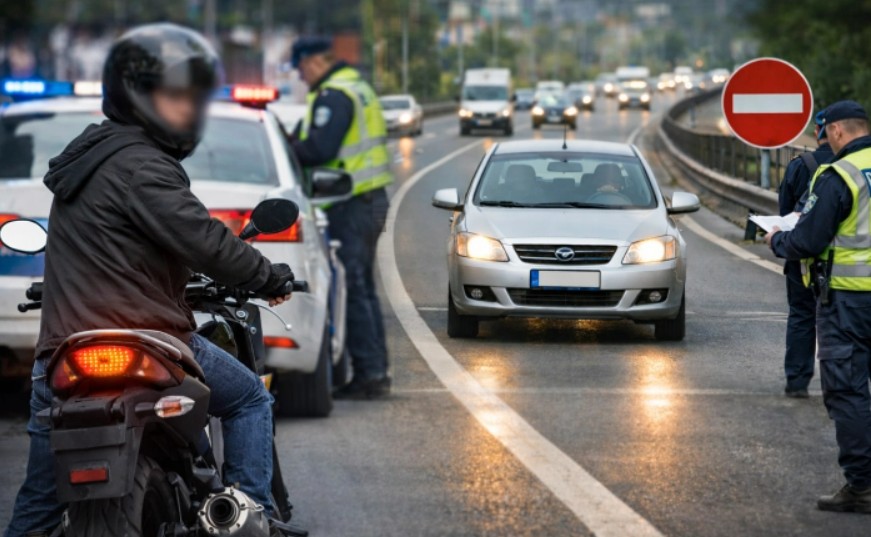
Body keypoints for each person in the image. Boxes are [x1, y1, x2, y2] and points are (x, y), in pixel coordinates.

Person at [3, 24, 295, 536]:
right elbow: (205, 240)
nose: (186, 110)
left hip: (63, 348)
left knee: (38, 504)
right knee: (250, 398)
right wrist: (267, 275)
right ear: (137, 99)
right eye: (173, 97)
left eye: (189, 99)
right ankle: (250, 518)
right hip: (148, 337)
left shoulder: (88, 160)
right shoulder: (141, 165)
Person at [766, 100, 871, 513]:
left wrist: (776, 240)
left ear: (837, 131)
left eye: (827, 132)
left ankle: (862, 486)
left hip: (848, 301)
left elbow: (807, 240)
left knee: (847, 390)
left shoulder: (839, 176)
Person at [288, 36, 393, 399]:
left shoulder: (334, 95)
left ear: (313, 61)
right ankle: (374, 370)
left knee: (354, 287)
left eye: (300, 69)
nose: (301, 77)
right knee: (362, 288)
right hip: (368, 199)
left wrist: (288, 149)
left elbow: (320, 148)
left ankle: (369, 374)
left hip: (351, 203)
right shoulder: (356, 86)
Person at [777, 109, 834, 398]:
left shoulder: (801, 165)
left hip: (802, 259)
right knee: (841, 322)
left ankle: (797, 381)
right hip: (846, 261)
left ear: (817, 132)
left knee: (801, 315)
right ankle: (840, 385)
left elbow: (785, 213)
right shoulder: (855, 166)